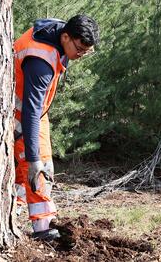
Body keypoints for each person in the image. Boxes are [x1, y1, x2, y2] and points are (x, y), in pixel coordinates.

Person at [13, 15, 99, 241]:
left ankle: (12, 208)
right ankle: (43, 227)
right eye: (79, 50)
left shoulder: (58, 34)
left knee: (33, 167)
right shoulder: (40, 61)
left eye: (87, 52)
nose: (80, 55)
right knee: (37, 166)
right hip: (21, 114)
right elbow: (30, 110)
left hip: (35, 111)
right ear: (66, 37)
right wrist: (33, 158)